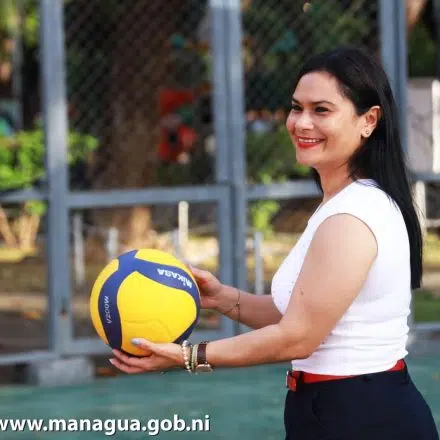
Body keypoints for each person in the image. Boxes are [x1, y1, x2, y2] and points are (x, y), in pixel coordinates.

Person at [109, 47, 439, 439]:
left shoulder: (352, 217)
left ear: (369, 121)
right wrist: (224, 298)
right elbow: (299, 315)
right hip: (338, 406)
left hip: (361, 414)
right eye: (297, 108)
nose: (301, 122)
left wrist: (189, 356)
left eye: (321, 110)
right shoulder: (347, 203)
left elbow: (299, 336)